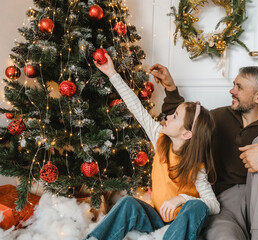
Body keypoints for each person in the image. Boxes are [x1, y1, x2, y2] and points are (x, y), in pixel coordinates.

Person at [149, 64, 258, 240]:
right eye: (234, 84)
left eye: (239, 87)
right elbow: (183, 126)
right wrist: (170, 89)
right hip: (224, 209)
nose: (231, 91)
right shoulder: (217, 118)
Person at [83, 55, 220, 240]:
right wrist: (112, 73)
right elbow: (137, 108)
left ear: (187, 134)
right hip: (157, 219)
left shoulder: (197, 168)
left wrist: (181, 199)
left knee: (198, 205)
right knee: (128, 203)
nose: (168, 117)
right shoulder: (160, 138)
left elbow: (213, 205)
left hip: (179, 226)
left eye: (175, 116)